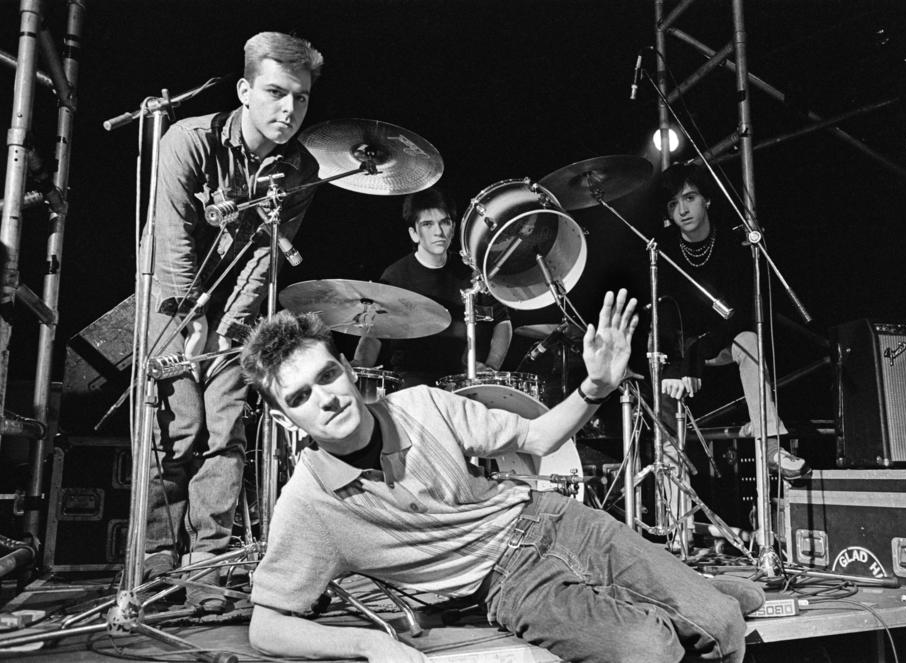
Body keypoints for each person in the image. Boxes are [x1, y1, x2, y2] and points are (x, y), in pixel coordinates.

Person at [240, 290, 756, 663]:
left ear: (350, 370)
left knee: (723, 626)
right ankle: (679, 592)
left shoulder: (421, 405)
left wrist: (596, 386)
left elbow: (538, 439)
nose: (325, 398)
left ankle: (694, 596)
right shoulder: (308, 504)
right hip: (504, 584)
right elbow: (266, 626)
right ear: (286, 418)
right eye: (300, 396)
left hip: (549, 518)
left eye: (327, 375)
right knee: (650, 650)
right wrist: (369, 643)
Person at [140, 31, 324, 611]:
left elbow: (268, 254)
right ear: (245, 90)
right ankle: (153, 567)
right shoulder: (186, 140)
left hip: (233, 307)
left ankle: (207, 570)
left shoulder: (301, 169)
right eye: (274, 92)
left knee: (225, 431)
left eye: (300, 97)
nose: (288, 109)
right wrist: (189, 312)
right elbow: (172, 238)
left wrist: (231, 328)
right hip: (171, 294)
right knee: (178, 429)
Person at [654, 163, 808, 480]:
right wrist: (680, 361)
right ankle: (670, 459)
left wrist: (700, 353)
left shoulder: (732, 246)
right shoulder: (665, 252)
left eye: (690, 198)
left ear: (707, 200)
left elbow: (741, 317)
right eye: (673, 204)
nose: (682, 210)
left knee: (750, 340)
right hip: (683, 346)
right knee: (653, 351)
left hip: (722, 342)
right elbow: (665, 316)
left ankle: (771, 448)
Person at [352, 187, 512, 387]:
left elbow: (502, 322)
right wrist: (359, 365)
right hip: (411, 382)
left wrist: (491, 367)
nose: (438, 232)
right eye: (428, 224)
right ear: (414, 234)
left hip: (462, 381)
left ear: (453, 229)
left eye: (444, 223)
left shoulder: (472, 272)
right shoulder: (394, 277)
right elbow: (373, 335)